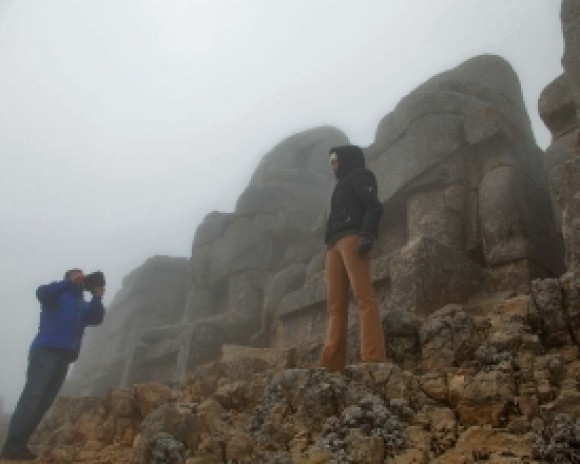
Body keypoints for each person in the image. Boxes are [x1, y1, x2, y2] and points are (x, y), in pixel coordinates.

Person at [1, 269, 106, 461]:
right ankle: (12, 444)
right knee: (32, 396)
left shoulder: (81, 305)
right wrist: (69, 283)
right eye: (77, 275)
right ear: (69, 278)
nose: (81, 278)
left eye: (83, 276)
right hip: (45, 352)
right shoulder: (57, 296)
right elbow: (41, 292)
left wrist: (97, 296)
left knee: (43, 402)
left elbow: (96, 318)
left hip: (64, 357)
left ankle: (19, 445)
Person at [320, 145, 387, 372]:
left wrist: (367, 234)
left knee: (363, 296)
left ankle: (373, 358)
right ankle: (332, 365)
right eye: (331, 162)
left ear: (347, 159)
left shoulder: (361, 175)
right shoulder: (339, 185)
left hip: (352, 237)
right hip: (333, 244)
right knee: (335, 306)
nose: (333, 166)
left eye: (335, 161)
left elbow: (373, 207)